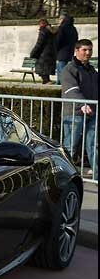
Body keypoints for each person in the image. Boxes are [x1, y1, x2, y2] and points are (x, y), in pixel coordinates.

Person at [61, 39, 97, 178]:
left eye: (90, 50)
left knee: (94, 145)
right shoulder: (69, 69)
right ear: (77, 51)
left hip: (92, 112)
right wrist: (83, 104)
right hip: (74, 113)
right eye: (84, 50)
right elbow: (71, 90)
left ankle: (97, 177)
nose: (88, 53)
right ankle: (64, 175)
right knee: (70, 146)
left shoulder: (92, 70)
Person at [29, 18, 56, 84]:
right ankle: (47, 82)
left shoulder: (43, 31)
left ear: (41, 24)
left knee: (43, 71)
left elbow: (39, 43)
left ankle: (47, 83)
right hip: (51, 54)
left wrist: (33, 52)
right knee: (46, 72)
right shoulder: (52, 31)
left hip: (43, 54)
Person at [55, 13, 78, 84]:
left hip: (61, 51)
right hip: (70, 51)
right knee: (63, 68)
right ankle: (59, 82)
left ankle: (61, 83)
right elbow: (76, 39)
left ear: (63, 20)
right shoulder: (73, 28)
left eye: (60, 19)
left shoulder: (62, 28)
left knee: (61, 69)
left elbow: (58, 40)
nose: (59, 20)